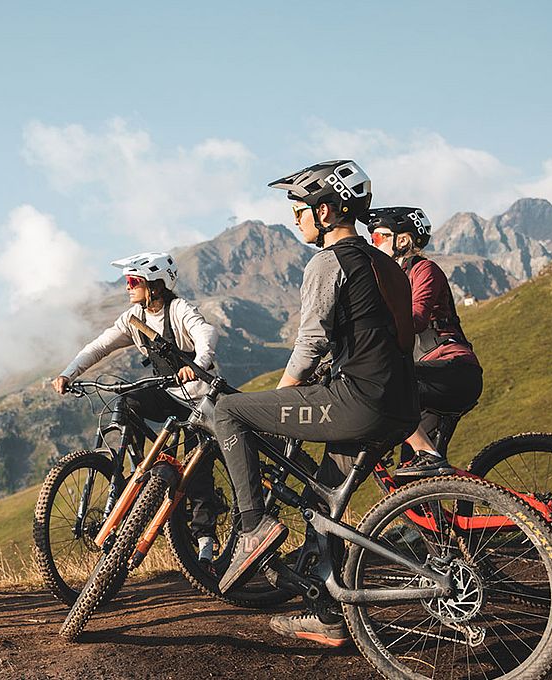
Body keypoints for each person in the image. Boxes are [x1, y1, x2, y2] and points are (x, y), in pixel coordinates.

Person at [213, 161, 419, 647]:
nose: (295, 219)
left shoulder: (328, 263)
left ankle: (252, 527)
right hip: (401, 406)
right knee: (321, 499)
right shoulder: (385, 262)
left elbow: (310, 344)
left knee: (228, 410)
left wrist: (281, 402)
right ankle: (326, 614)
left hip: (359, 403)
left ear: (324, 211)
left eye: (299, 210)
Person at [51, 252, 224, 565]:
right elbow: (100, 346)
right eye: (127, 281)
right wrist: (68, 373)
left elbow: (206, 332)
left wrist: (197, 364)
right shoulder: (134, 318)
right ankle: (140, 467)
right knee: (129, 402)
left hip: (200, 399)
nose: (127, 287)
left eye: (133, 281)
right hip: (170, 395)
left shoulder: (179, 309)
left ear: (155, 286)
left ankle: (205, 542)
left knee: (197, 473)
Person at [365, 207, 483, 478]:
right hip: (425, 382)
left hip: (454, 370)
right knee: (412, 474)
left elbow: (416, 318)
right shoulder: (390, 280)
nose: (374, 244)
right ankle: (438, 520)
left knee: (384, 384)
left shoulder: (423, 269)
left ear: (402, 240)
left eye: (378, 238)